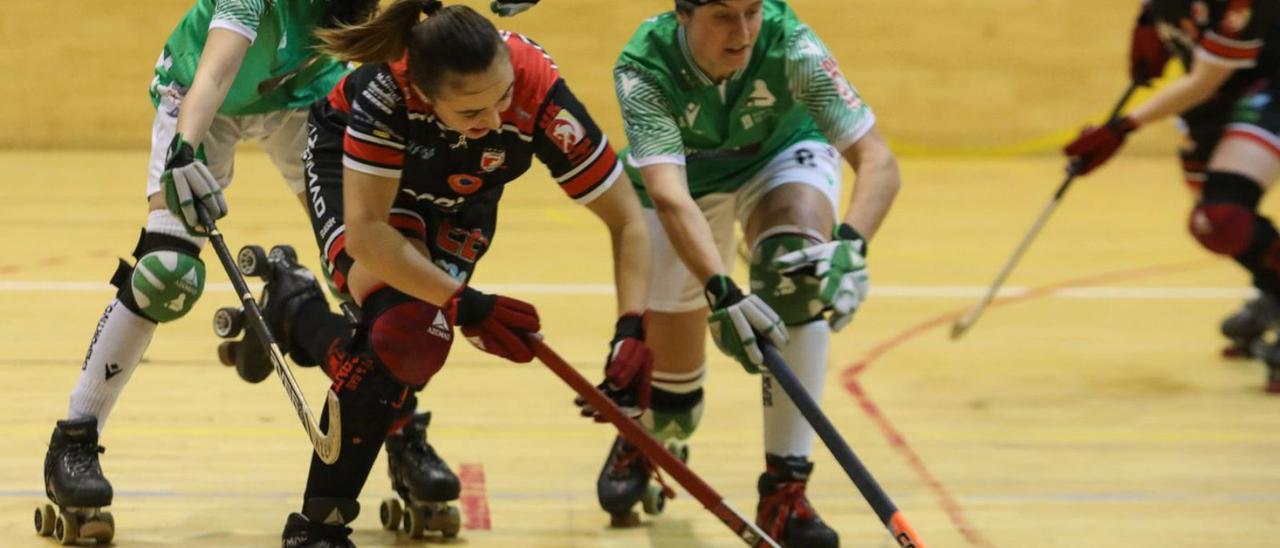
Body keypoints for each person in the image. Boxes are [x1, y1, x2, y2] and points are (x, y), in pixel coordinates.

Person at [236, 1, 654, 545]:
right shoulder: (387, 94)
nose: (498, 119)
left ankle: (301, 314)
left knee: (405, 343)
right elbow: (368, 235)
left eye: (503, 96)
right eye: (473, 112)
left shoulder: (535, 87)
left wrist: (632, 329)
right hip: (363, 185)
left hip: (461, 195)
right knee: (408, 332)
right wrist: (465, 302)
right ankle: (319, 526)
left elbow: (627, 217)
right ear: (426, 96)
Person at [35, 0, 377, 544]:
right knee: (165, 271)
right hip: (203, 97)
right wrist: (183, 152)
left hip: (305, 96)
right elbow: (216, 71)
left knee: (366, 264)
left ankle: (400, 431)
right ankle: (74, 440)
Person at [594, 0, 901, 546]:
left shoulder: (793, 47)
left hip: (777, 156)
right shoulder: (644, 67)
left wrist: (850, 247)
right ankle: (649, 433)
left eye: (752, 11)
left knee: (796, 274)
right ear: (682, 15)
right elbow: (669, 195)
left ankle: (785, 490)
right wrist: (723, 291)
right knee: (674, 410)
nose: (743, 33)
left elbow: (878, 160)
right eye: (721, 16)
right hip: (686, 182)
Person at [1063, 0, 1280, 392]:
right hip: (1222, 96)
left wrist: (1122, 127)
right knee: (1217, 224)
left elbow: (1202, 81)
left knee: (1225, 214)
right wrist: (1150, 17)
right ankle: (1273, 289)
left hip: (1263, 85)